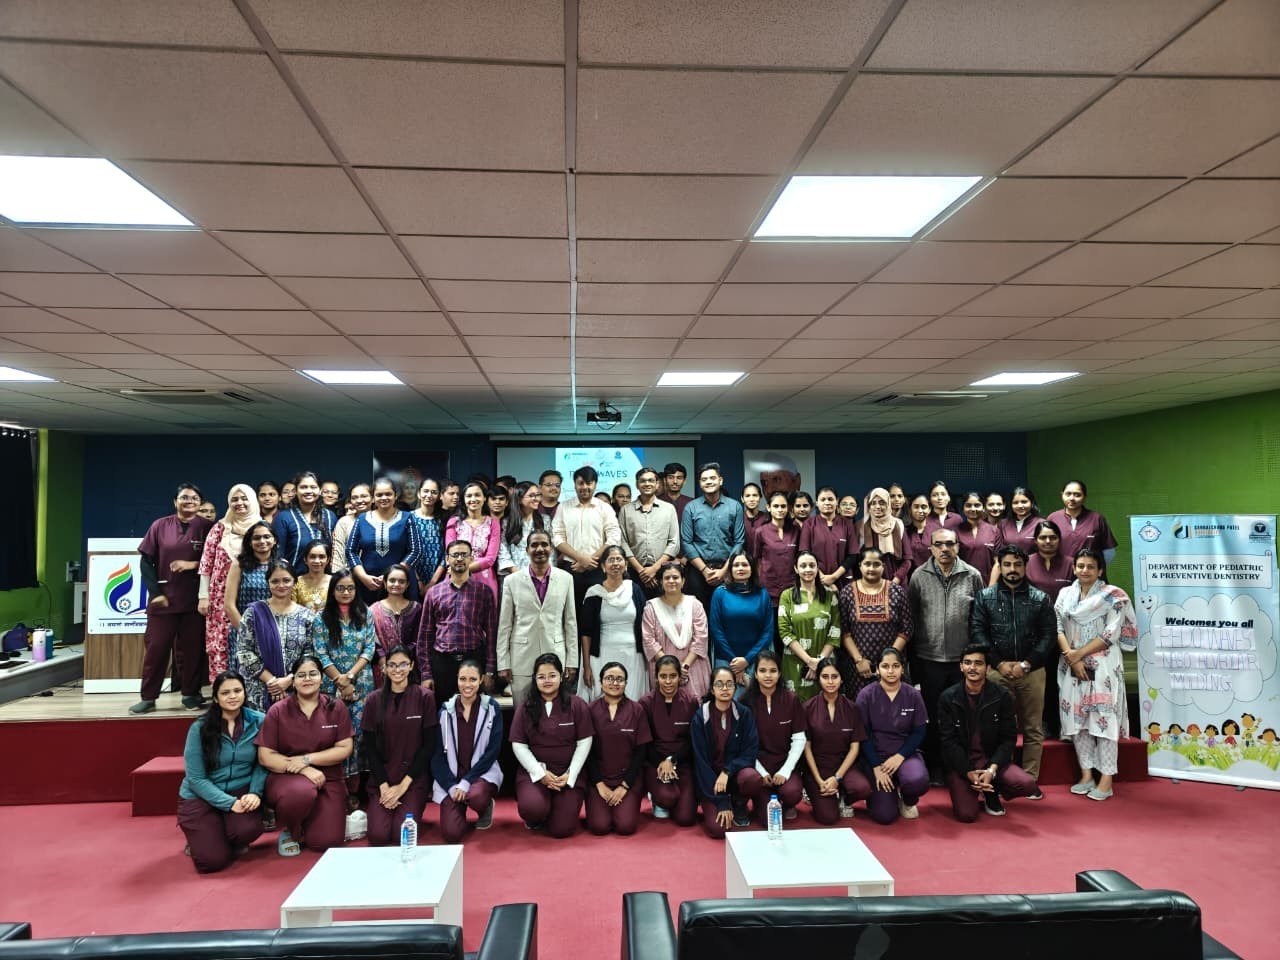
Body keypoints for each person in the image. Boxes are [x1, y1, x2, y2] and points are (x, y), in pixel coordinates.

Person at [969, 545, 1055, 793]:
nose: (1012, 569)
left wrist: (1027, 664)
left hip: (1032, 671)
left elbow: (1048, 636)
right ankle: (996, 778)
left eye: (1017, 564)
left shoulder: (1040, 598)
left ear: (1025, 566)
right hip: (997, 671)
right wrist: (998, 663)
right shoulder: (985, 597)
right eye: (1007, 564)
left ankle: (1028, 781)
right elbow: (978, 632)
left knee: (1033, 728)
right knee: (993, 727)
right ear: (1000, 566)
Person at [1056, 549, 1136, 802]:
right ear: (1074, 568)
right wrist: (1072, 657)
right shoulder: (1065, 594)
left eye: (1091, 566)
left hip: (1103, 666)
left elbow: (1110, 634)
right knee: (1077, 721)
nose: (1085, 570)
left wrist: (1078, 654)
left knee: (1104, 720)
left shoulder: (1114, 596)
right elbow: (1057, 627)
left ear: (1100, 570)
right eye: (1080, 566)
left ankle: (1106, 780)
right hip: (1071, 664)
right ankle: (1086, 775)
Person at [255, 652, 354, 854]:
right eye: (301, 675)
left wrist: (307, 759)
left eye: (313, 674)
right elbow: (265, 756)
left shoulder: (336, 707)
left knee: (326, 842)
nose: (307, 679)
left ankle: (313, 820)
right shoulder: (278, 710)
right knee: (301, 793)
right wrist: (304, 769)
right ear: (293, 681)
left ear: (321, 678)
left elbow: (345, 748)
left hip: (329, 778)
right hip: (287, 777)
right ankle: (291, 829)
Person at [907, 528, 985, 782]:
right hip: (928, 659)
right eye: (938, 544)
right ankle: (935, 766)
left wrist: (974, 656)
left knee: (961, 714)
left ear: (957, 546)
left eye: (949, 544)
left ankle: (959, 767)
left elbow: (979, 617)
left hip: (962, 662)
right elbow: (912, 618)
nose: (944, 549)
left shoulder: (972, 575)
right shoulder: (919, 576)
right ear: (930, 548)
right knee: (931, 714)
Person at [131, 482, 214, 714]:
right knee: (156, 649)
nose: (189, 501)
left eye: (194, 498)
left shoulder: (209, 528)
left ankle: (190, 695)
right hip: (164, 600)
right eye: (184, 497)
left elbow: (217, 561)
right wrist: (155, 594)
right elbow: (146, 562)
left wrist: (192, 564)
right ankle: (148, 697)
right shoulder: (160, 525)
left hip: (195, 601)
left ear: (200, 503)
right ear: (175, 502)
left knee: (192, 651)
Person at [937, 644, 1039, 821]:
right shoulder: (948, 697)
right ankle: (977, 787)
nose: (972, 667)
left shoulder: (1002, 696)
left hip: (992, 761)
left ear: (988, 668)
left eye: (978, 663)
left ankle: (992, 791)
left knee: (1027, 784)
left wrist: (991, 769)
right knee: (966, 815)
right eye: (967, 663)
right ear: (961, 667)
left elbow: (1008, 739)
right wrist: (968, 771)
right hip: (962, 764)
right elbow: (948, 742)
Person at [177, 671, 266, 872]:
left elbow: (263, 762)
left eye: (237, 691)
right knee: (212, 862)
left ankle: (220, 836)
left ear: (245, 693)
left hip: (240, 790)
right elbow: (196, 778)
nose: (232, 696)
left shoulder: (259, 721)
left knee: (248, 829)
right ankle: (203, 838)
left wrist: (255, 792)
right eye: (225, 693)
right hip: (201, 795)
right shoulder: (199, 728)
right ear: (216, 698)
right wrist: (229, 803)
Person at [509, 652, 594, 837]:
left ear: (561, 677)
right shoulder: (526, 707)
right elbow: (518, 745)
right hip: (536, 773)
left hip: (567, 774)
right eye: (541, 676)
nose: (547, 680)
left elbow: (584, 742)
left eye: (552, 675)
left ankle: (554, 808)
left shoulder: (577, 705)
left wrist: (570, 774)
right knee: (533, 808)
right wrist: (540, 774)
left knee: (562, 830)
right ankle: (538, 813)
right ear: (535, 679)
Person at [361, 644, 438, 845]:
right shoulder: (373, 700)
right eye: (392, 665)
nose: (397, 670)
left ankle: (412, 804)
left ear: (411, 666)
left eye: (403, 664)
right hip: (382, 780)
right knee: (378, 836)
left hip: (412, 780)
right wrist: (384, 786)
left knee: (401, 835)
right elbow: (369, 748)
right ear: (384, 667)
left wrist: (403, 786)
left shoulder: (425, 697)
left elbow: (428, 746)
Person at [310, 570, 376, 800]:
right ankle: (337, 788)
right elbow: (320, 652)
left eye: (350, 588)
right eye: (340, 588)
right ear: (333, 590)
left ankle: (358, 788)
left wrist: (350, 676)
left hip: (362, 683)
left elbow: (369, 648)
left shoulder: (365, 613)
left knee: (359, 733)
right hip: (331, 685)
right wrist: (340, 680)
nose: (346, 592)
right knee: (336, 735)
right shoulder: (321, 617)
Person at [497, 530, 577, 702]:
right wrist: (503, 663)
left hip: (555, 654)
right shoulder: (512, 581)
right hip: (522, 658)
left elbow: (570, 623)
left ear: (551, 548)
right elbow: (505, 625)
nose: (540, 549)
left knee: (554, 711)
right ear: (527, 550)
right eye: (534, 545)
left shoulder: (566, 579)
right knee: (523, 709)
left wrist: (572, 662)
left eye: (544, 544)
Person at [432, 658, 504, 841]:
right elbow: (437, 757)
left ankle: (484, 806)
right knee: (451, 834)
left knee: (477, 796)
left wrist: (466, 782)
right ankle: (459, 807)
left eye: (473, 679)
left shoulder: (492, 708)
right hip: (452, 779)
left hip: (479, 776)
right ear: (457, 679)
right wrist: (451, 786)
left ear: (481, 680)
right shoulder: (444, 712)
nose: (467, 685)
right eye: (463, 679)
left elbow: (492, 752)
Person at [856, 648, 929, 824]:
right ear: (877, 669)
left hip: (905, 755)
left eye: (895, 666)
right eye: (885, 666)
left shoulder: (912, 695)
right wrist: (875, 766)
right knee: (885, 815)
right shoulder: (866, 695)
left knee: (917, 781)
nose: (890, 671)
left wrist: (900, 756)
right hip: (876, 758)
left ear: (902, 668)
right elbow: (862, 734)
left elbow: (919, 731)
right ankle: (884, 795)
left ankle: (907, 800)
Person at [419, 539, 498, 703]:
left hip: (474, 659)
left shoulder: (484, 592)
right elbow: (425, 636)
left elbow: (492, 634)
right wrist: (426, 674)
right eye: (455, 555)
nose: (460, 559)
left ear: (471, 558)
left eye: (464, 555)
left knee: (475, 710)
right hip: (442, 663)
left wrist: (490, 671)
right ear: (447, 559)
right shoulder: (434, 593)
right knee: (442, 711)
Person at [198, 483, 260, 681]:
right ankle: (222, 689)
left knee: (249, 640)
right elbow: (206, 562)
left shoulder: (261, 528)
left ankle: (248, 689)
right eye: (234, 499)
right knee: (220, 642)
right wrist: (203, 596)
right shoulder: (220, 527)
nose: (239, 503)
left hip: (250, 595)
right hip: (219, 597)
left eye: (244, 498)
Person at [690, 665, 759, 838]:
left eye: (729, 684)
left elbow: (750, 752)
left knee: (751, 778)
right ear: (712, 689)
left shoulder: (744, 714)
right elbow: (701, 763)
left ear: (735, 687)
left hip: (733, 776)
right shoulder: (700, 717)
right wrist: (720, 801)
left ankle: (739, 802)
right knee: (718, 829)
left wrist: (727, 771)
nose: (725, 688)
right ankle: (717, 802)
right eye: (719, 684)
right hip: (710, 781)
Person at [236, 561, 315, 712]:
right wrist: (272, 681)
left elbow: (310, 654)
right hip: (259, 688)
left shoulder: (307, 616)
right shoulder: (253, 613)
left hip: (296, 688)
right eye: (275, 581)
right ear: (268, 583)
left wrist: (289, 680)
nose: (281, 585)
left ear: (295, 582)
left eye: (286, 580)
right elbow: (244, 651)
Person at [802, 657, 873, 823]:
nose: (830, 682)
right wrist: (819, 779)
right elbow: (806, 747)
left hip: (845, 767)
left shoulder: (852, 708)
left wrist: (837, 778)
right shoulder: (807, 708)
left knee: (862, 789)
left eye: (834, 677)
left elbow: (855, 748)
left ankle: (844, 797)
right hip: (818, 768)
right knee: (828, 817)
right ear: (818, 679)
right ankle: (812, 792)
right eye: (825, 677)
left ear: (841, 679)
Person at [585, 661, 651, 835]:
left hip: (628, 778)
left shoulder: (637, 710)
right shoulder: (589, 710)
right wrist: (599, 784)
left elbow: (641, 752)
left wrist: (625, 785)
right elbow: (586, 752)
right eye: (609, 678)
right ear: (601, 682)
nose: (614, 683)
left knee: (625, 826)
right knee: (599, 826)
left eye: (619, 679)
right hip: (598, 779)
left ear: (626, 683)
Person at [739, 651, 805, 823]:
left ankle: (787, 803)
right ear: (755, 674)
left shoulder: (791, 699)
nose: (768, 675)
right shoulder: (745, 702)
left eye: (773, 671)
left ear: (780, 673)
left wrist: (785, 771)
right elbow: (743, 744)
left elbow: (799, 739)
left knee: (792, 793)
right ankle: (754, 800)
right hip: (758, 765)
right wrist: (761, 772)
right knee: (766, 819)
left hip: (784, 763)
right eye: (762, 670)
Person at [839, 547, 911, 697]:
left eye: (876, 564)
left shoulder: (897, 591)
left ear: (883, 566)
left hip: (892, 668)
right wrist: (859, 660)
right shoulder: (847, 593)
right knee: (861, 706)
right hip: (859, 668)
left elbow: (906, 629)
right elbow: (844, 631)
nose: (871, 568)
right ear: (860, 566)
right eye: (867, 564)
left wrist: (888, 661)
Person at [579, 545, 648, 702]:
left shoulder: (635, 590)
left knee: (632, 702)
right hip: (601, 656)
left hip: (633, 656)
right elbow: (586, 633)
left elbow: (646, 623)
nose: (615, 563)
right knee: (603, 703)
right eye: (611, 560)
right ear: (603, 566)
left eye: (619, 559)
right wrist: (587, 666)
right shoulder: (594, 593)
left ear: (626, 564)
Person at [551, 465, 622, 614]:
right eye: (581, 483)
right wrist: (581, 558)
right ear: (575, 484)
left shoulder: (604, 508)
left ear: (595, 484)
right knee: (571, 612)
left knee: (598, 611)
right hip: (571, 568)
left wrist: (590, 560)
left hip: (598, 568)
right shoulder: (564, 507)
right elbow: (557, 537)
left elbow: (614, 537)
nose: (585, 487)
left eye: (589, 483)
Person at [639, 654, 699, 825]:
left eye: (672, 676)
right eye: (663, 676)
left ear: (680, 677)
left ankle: (678, 795)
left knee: (686, 818)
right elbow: (644, 741)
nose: (668, 681)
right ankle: (657, 797)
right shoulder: (645, 703)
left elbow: (692, 740)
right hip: (655, 763)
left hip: (682, 762)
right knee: (667, 797)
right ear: (656, 677)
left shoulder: (691, 701)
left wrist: (672, 760)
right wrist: (662, 762)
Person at [681, 462, 747, 609]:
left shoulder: (735, 506)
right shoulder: (691, 508)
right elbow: (686, 542)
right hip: (698, 571)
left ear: (720, 480)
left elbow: (739, 541)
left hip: (726, 569)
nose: (709, 482)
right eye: (704, 479)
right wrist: (704, 570)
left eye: (712, 478)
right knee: (698, 612)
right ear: (700, 483)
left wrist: (724, 571)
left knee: (728, 611)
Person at [709, 551, 775, 698]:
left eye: (745, 564)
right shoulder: (720, 593)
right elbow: (716, 630)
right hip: (725, 660)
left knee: (754, 705)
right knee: (726, 703)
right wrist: (735, 665)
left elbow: (768, 631)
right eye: (736, 565)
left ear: (752, 569)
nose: (740, 568)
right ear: (730, 569)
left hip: (756, 661)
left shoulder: (762, 594)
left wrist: (746, 660)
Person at [642, 562, 712, 700]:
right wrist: (670, 669)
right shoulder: (651, 608)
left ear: (683, 581)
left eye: (675, 577)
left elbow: (701, 638)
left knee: (693, 704)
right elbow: (648, 640)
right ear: (661, 582)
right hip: (663, 668)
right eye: (667, 578)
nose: (671, 581)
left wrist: (684, 667)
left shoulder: (695, 605)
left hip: (692, 665)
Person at [779, 551, 842, 702]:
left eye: (812, 565)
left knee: (823, 706)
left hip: (824, 664)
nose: (808, 569)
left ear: (817, 568)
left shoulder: (829, 595)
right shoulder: (787, 596)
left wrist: (819, 662)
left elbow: (835, 631)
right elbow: (784, 632)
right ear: (796, 569)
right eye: (803, 566)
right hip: (795, 662)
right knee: (795, 705)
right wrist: (809, 661)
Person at [348, 478, 423, 604]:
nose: (384, 498)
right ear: (373, 498)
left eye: (388, 494)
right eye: (379, 495)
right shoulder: (362, 519)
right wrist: (363, 577)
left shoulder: (407, 518)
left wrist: (394, 575)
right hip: (368, 583)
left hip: (400, 583)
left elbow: (416, 550)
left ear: (395, 495)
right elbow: (351, 551)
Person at [221, 521, 277, 675]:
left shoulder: (281, 565)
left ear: (274, 540)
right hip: (243, 630)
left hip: (273, 632)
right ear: (250, 542)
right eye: (256, 538)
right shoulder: (239, 565)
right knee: (244, 676)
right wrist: (247, 633)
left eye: (267, 537)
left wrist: (270, 633)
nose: (262, 541)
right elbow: (229, 605)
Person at [618, 466, 679, 598]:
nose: (647, 484)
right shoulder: (626, 510)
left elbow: (674, 543)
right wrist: (641, 571)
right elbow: (622, 542)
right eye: (643, 481)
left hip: (662, 572)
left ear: (657, 484)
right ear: (637, 485)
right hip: (635, 572)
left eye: (651, 480)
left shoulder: (668, 509)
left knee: (662, 609)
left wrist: (654, 568)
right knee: (635, 608)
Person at [445, 481, 502, 601]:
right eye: (469, 496)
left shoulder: (493, 523)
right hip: (456, 577)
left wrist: (464, 569)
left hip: (484, 577)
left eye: (477, 495)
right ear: (464, 499)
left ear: (484, 498)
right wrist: (459, 570)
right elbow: (450, 552)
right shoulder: (454, 522)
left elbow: (490, 559)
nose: (473, 499)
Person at [272, 472, 337, 575]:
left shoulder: (330, 517)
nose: (309, 491)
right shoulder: (283, 518)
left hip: (325, 581)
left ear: (320, 490)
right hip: (293, 580)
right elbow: (277, 556)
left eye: (313, 487)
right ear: (295, 491)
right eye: (303, 487)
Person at [799, 486, 858, 589]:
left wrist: (834, 577)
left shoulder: (847, 524)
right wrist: (822, 578)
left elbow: (853, 555)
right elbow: (804, 553)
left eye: (830, 499)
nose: (827, 503)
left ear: (837, 501)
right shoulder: (809, 524)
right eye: (823, 500)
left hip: (843, 580)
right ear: (817, 503)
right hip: (817, 579)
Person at [1048, 480, 1118, 566]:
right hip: (1062, 572)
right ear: (1062, 495)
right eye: (1068, 494)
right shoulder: (1053, 518)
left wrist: (1095, 569)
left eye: (1077, 495)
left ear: (1084, 497)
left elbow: (1109, 551)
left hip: (1089, 573)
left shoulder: (1097, 519)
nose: (1072, 498)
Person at [750, 491, 801, 606]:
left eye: (783, 506)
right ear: (768, 507)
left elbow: (800, 557)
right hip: (768, 585)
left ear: (788, 508)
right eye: (776, 506)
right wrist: (760, 582)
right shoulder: (760, 531)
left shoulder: (795, 530)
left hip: (791, 584)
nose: (780, 509)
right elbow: (757, 560)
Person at [370, 564, 421, 675]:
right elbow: (372, 640)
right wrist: (383, 659)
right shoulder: (373, 610)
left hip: (410, 667)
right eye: (392, 580)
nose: (396, 584)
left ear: (407, 584)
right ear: (385, 583)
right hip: (382, 667)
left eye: (401, 581)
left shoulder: (416, 609)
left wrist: (403, 660)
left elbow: (418, 638)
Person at [859, 486, 908, 585]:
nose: (877, 507)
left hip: (897, 582)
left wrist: (896, 579)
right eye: (873, 503)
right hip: (871, 583)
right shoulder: (862, 527)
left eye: (882, 503)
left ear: (888, 504)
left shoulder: (898, 524)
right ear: (869, 506)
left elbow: (908, 559)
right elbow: (857, 559)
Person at [498, 480, 547, 575]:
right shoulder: (507, 522)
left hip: (539, 574)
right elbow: (503, 550)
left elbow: (550, 550)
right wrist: (516, 572)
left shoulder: (545, 520)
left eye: (538, 495)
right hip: (514, 574)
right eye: (531, 495)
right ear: (519, 499)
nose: (536, 499)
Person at [957, 491, 1003, 583]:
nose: (973, 509)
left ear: (983, 507)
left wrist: (991, 587)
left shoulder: (994, 531)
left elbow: (998, 563)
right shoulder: (956, 531)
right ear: (963, 508)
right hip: (962, 583)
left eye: (977, 505)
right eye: (968, 505)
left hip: (987, 582)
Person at [330, 483, 372, 571]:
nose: (359, 500)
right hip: (349, 575)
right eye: (354, 497)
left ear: (373, 498)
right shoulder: (344, 522)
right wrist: (337, 576)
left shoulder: (382, 520)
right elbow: (338, 554)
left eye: (364, 496)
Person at [291, 539, 331, 614]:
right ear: (305, 559)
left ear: (328, 560)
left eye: (321, 557)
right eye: (312, 557)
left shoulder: (334, 582)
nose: (317, 561)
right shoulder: (296, 583)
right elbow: (292, 610)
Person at [998, 485, 1041, 554]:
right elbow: (999, 550)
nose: (1020, 506)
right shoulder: (1003, 524)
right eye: (1015, 503)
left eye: (1024, 502)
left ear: (1032, 503)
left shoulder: (1041, 524)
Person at [902, 493, 934, 583]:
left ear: (929, 509)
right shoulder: (903, 532)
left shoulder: (937, 532)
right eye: (916, 507)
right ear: (910, 509)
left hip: (933, 581)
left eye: (924, 507)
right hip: (909, 581)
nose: (920, 510)